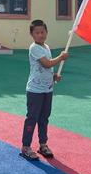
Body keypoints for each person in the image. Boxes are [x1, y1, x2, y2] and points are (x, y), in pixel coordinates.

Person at [20, 19, 68, 160]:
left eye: (43, 32)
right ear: (32, 34)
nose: (40, 35)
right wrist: (61, 57)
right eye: (37, 33)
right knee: (32, 118)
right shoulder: (34, 48)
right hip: (35, 90)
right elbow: (46, 64)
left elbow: (47, 68)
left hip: (47, 89)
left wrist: (54, 76)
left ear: (46, 32)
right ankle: (26, 146)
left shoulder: (46, 47)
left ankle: (43, 144)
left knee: (44, 118)